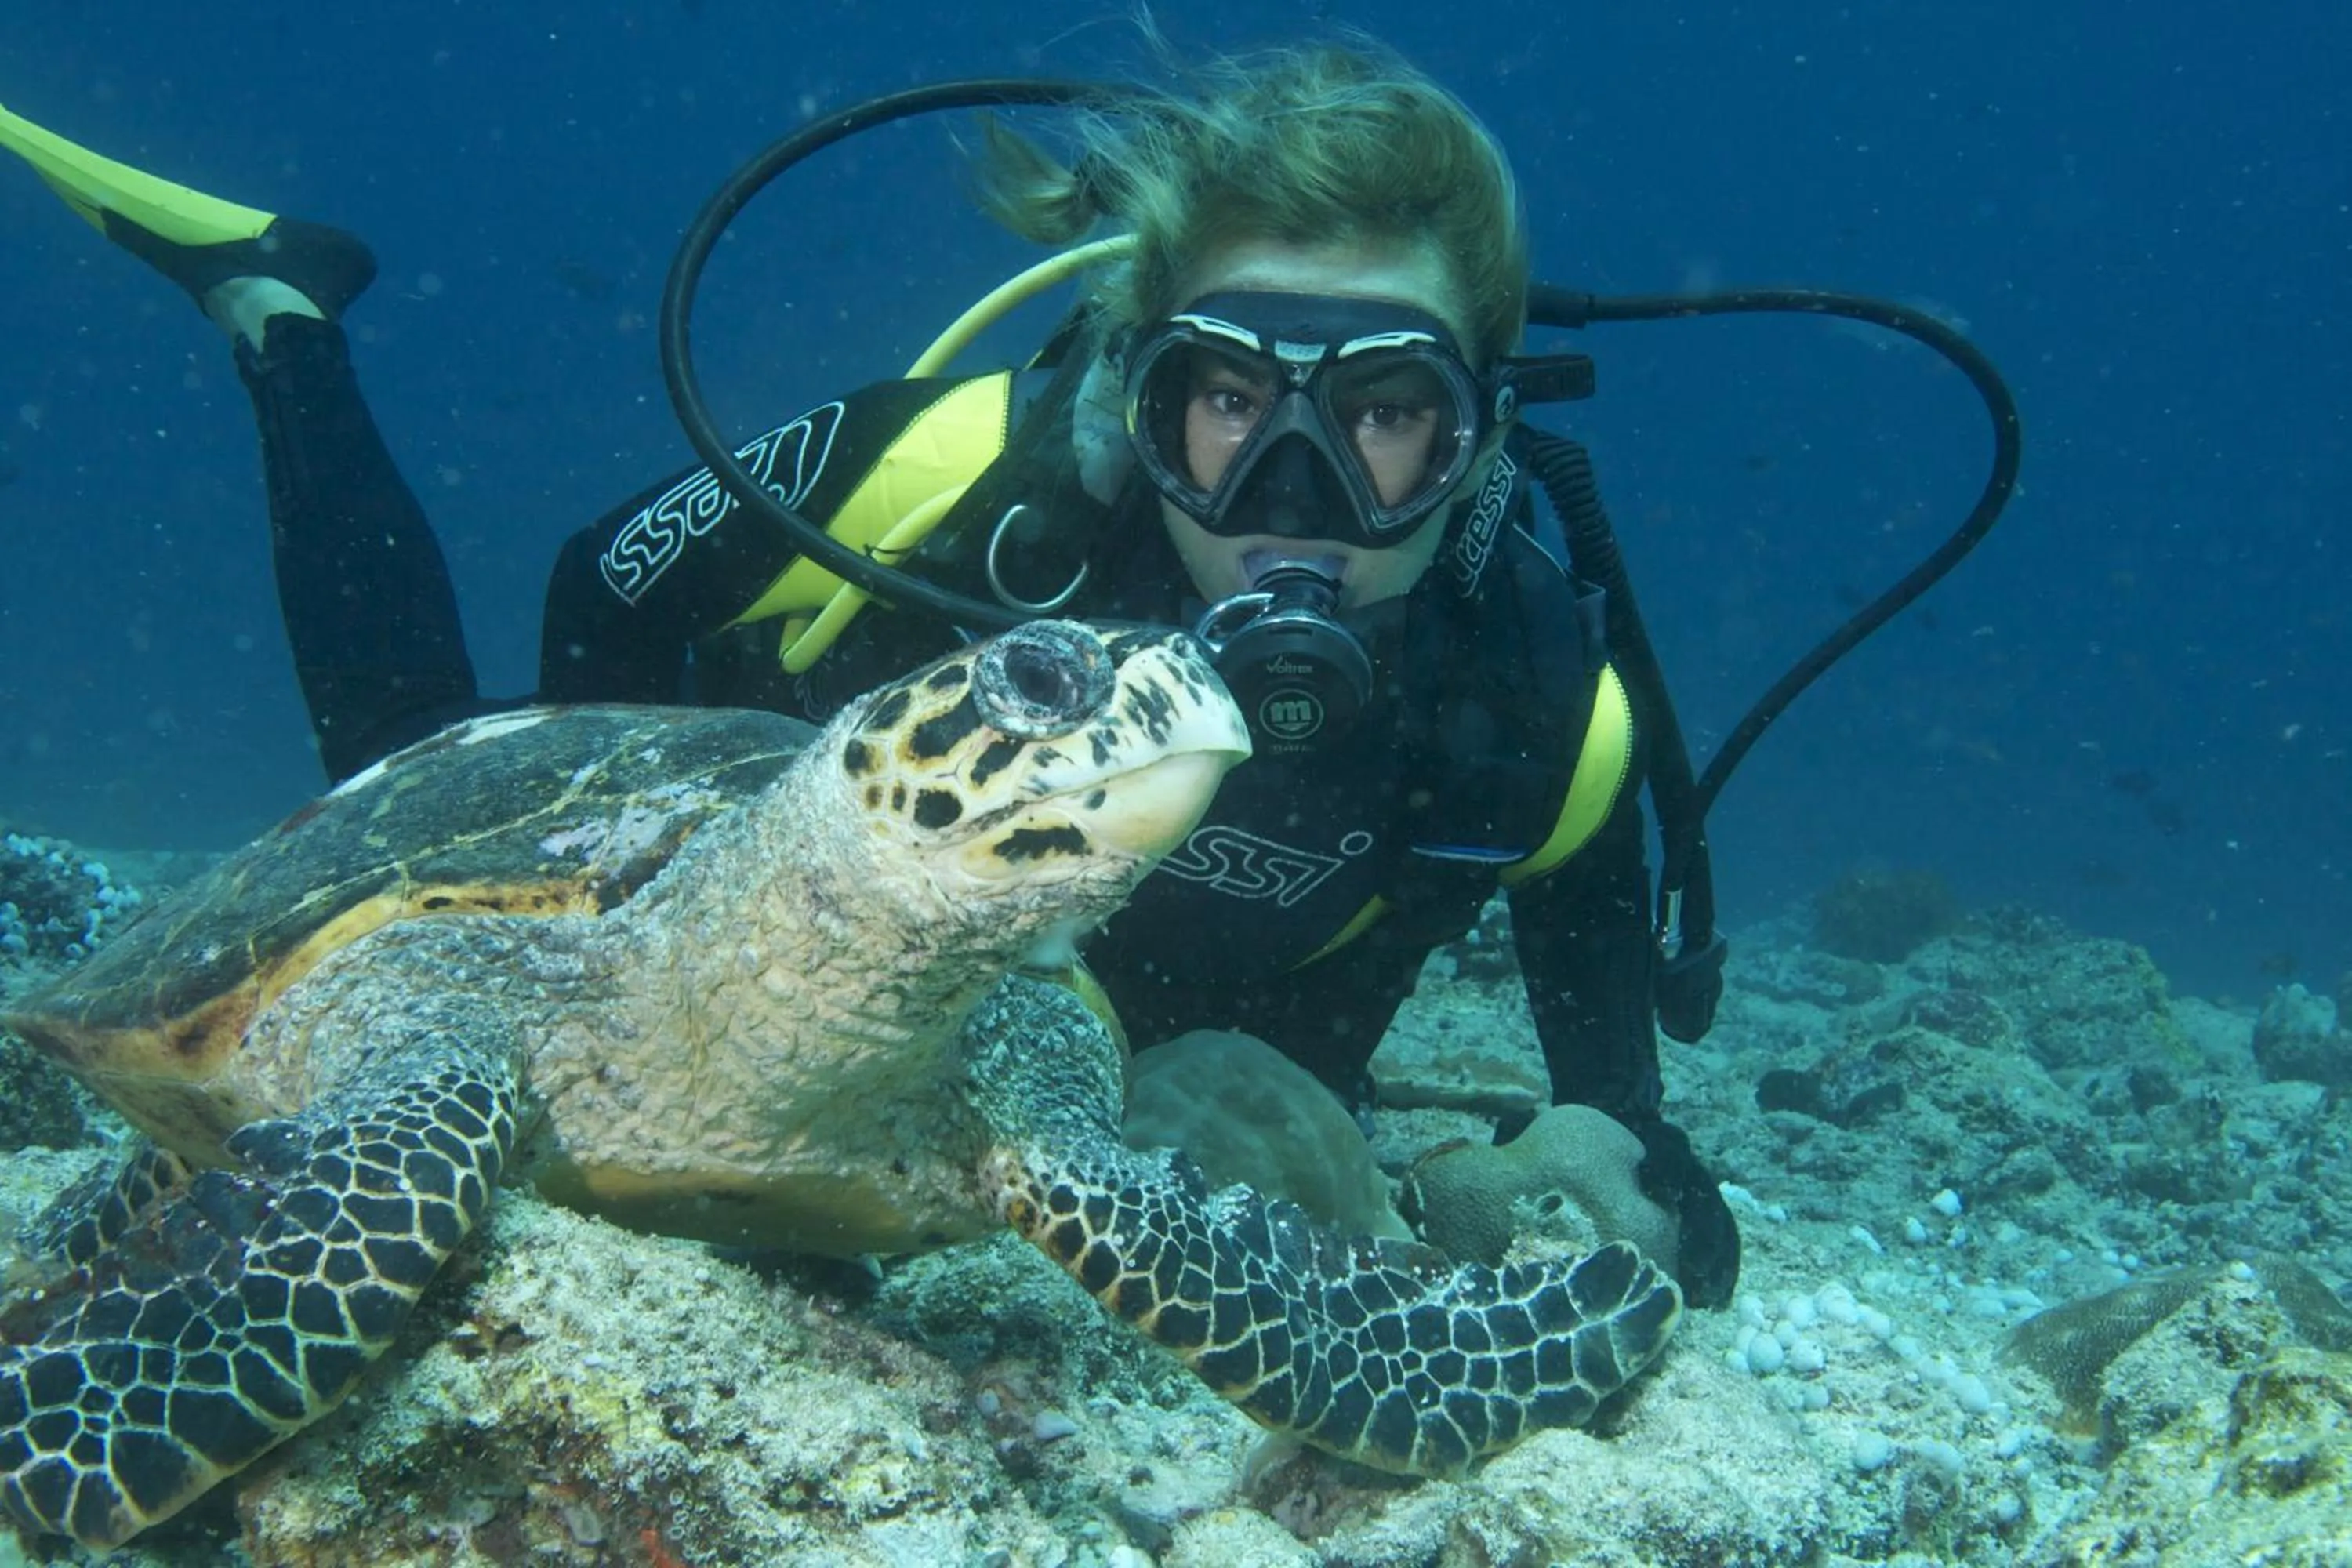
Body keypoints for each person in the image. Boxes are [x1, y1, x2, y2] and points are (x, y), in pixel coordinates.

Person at [1, 44, 1740, 1305]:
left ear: (1481, 429)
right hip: (685, 925)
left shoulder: (1544, 716)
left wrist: (1617, 1178)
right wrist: (623, 933)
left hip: (1094, 1083)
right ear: (1142, 394)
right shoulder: (951, 482)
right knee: (413, 777)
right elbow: (596, 586)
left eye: (1381, 413)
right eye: (1226, 398)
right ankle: (284, 319)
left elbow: (1611, 1129)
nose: (1298, 496)